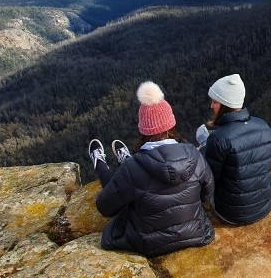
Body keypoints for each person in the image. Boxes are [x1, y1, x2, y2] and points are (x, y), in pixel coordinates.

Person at [88, 81, 214, 257]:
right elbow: (207, 195)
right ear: (171, 125)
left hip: (150, 244)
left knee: (124, 187)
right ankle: (116, 159)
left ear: (143, 130)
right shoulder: (195, 155)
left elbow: (105, 207)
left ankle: (100, 163)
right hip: (195, 233)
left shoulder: (132, 168)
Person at [198, 73, 271, 225]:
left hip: (232, 213)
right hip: (265, 205)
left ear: (225, 105)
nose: (211, 106)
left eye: (215, 102)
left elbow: (210, 179)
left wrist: (202, 150)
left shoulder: (219, 138)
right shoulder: (264, 126)